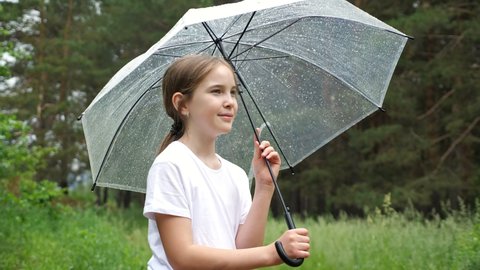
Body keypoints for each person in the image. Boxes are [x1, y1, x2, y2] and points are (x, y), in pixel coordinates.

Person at [143, 54, 310, 269]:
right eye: (216, 91)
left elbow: (245, 251)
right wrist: (274, 252)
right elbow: (182, 258)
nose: (230, 102)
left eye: (233, 92)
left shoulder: (236, 174)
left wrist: (264, 186)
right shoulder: (171, 165)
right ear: (182, 104)